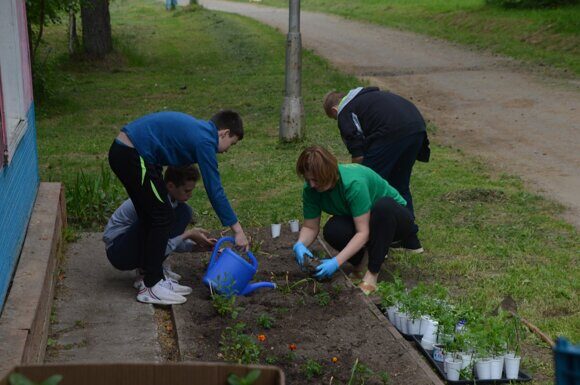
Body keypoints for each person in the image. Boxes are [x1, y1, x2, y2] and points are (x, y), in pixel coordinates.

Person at [108, 110, 249, 305]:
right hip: (132, 154)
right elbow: (215, 190)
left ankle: (150, 276)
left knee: (155, 216)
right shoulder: (205, 140)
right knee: (162, 215)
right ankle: (152, 285)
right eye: (231, 144)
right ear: (223, 133)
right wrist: (238, 230)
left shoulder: (201, 133)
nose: (227, 150)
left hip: (135, 154)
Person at [292, 146, 416, 294]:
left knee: (383, 207)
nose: (311, 184)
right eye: (308, 179)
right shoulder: (311, 190)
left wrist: (336, 261)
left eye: (315, 179)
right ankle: (364, 260)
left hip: (394, 220)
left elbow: (363, 232)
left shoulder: (353, 183)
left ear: (328, 173)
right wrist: (299, 245)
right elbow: (311, 227)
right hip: (364, 219)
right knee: (333, 230)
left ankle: (372, 273)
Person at [323, 87, 430, 252]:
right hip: (416, 128)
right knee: (399, 184)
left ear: (334, 110)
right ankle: (410, 240)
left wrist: (355, 176)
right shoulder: (369, 97)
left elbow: (357, 151)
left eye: (333, 118)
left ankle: (374, 243)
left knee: (370, 188)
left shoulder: (345, 111)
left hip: (390, 134)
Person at [103, 165, 216, 298]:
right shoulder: (155, 200)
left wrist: (195, 247)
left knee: (184, 212)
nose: (190, 195)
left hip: (130, 244)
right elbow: (158, 243)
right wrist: (189, 234)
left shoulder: (171, 202)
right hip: (118, 251)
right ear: (170, 186)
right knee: (155, 218)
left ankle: (150, 270)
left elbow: (164, 241)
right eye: (186, 191)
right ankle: (149, 280)